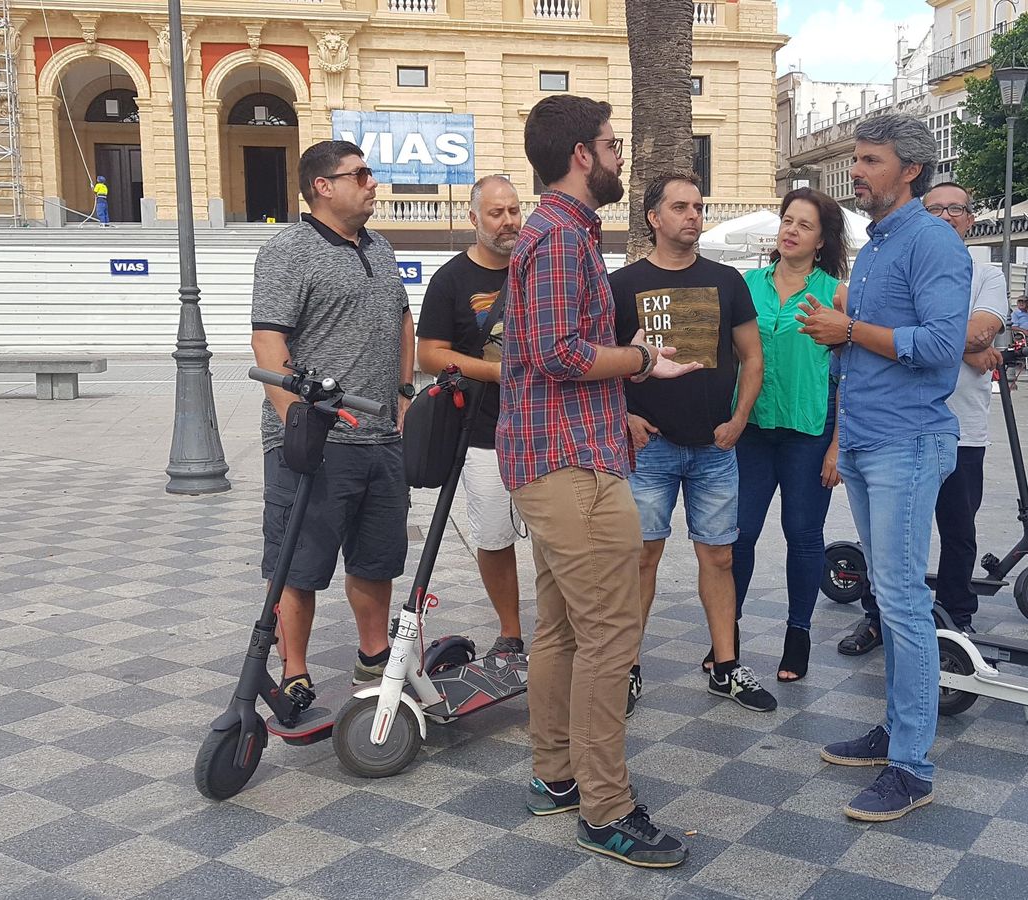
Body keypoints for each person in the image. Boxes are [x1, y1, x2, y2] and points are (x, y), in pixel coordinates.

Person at [499, 93, 697, 868]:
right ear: (582, 153)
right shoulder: (556, 238)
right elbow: (557, 353)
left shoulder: (564, 233)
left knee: (564, 630)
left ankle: (555, 778)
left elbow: (559, 357)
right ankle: (604, 809)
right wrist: (646, 361)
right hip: (568, 469)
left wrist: (620, 405)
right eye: (613, 145)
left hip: (568, 453)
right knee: (612, 635)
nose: (620, 157)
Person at [795, 114, 969, 823]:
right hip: (868, 440)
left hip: (907, 442)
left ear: (910, 171)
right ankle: (896, 732)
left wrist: (849, 330)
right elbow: (869, 349)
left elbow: (940, 345)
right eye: (857, 159)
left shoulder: (932, 242)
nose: (856, 171)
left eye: (870, 161)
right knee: (891, 600)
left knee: (901, 605)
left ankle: (913, 768)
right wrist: (839, 339)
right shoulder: (876, 246)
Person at [249, 140, 413, 707]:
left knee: (377, 558)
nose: (372, 184)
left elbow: (402, 319)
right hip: (315, 441)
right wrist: (295, 421)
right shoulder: (287, 251)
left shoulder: (382, 247)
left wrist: (403, 392)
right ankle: (294, 670)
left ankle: (373, 659)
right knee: (299, 565)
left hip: (378, 437)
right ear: (323, 185)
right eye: (360, 174)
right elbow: (268, 338)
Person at [610, 173, 773, 714]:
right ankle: (627, 667)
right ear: (653, 217)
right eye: (679, 207)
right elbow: (603, 364)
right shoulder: (622, 284)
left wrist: (740, 419)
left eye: (698, 207)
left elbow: (752, 358)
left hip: (715, 447)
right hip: (649, 448)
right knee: (641, 559)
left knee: (720, 556)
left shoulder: (727, 281)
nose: (692, 216)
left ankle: (726, 666)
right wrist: (627, 413)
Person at [836, 183, 1005, 654]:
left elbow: (966, 334)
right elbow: (960, 341)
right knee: (892, 554)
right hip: (892, 425)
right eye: (936, 208)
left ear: (970, 219)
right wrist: (957, 345)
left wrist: (943, 341)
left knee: (956, 530)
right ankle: (876, 620)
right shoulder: (889, 254)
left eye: (957, 209)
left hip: (961, 427)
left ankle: (957, 622)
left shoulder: (987, 274)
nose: (946, 216)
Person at [731, 187, 849, 683]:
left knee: (803, 536)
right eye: (787, 220)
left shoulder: (836, 294)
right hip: (750, 429)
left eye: (804, 224)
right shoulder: (744, 285)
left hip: (808, 433)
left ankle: (797, 634)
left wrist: (839, 444)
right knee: (738, 535)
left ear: (821, 241)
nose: (791, 230)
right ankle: (726, 633)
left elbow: (854, 375)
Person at [416, 174, 526, 656]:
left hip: (546, 431)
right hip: (482, 434)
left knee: (556, 540)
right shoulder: (450, 280)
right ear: (474, 218)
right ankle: (511, 631)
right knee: (495, 537)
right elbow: (430, 355)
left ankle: (566, 637)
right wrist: (498, 372)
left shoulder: (541, 268)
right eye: (496, 213)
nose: (508, 222)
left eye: (514, 211)